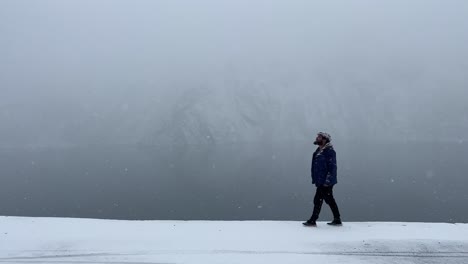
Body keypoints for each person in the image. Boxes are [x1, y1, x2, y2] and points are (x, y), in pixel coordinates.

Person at [303, 132, 342, 227]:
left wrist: (327, 181)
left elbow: (332, 168)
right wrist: (315, 179)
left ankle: (313, 220)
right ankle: (336, 219)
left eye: (319, 137)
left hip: (326, 182)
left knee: (321, 200)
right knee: (325, 200)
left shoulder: (329, 151)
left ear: (324, 139)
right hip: (320, 181)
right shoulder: (318, 151)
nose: (316, 138)